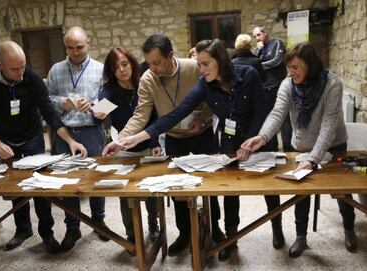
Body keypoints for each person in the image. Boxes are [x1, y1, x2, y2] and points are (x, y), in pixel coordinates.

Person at [113, 39, 284, 261]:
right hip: (231, 140)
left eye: (205, 64)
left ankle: (277, 227)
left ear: (220, 61)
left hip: (258, 137)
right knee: (230, 190)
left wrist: (254, 139)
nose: (200, 70)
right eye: (199, 64)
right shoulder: (205, 84)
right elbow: (177, 113)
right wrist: (137, 137)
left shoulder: (249, 74)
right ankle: (231, 239)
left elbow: (262, 111)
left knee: (270, 187)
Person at [102, 34, 224, 257]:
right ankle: (184, 233)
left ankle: (215, 228)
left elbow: (213, 100)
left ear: (171, 56)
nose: (152, 68)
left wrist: (204, 119)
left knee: (210, 185)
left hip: (202, 134)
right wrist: (121, 140)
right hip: (174, 138)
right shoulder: (148, 79)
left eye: (156, 63)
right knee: (176, 189)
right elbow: (141, 115)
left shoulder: (192, 68)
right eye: (149, 63)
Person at [241, 42, 357, 257]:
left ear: (310, 65)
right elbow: (278, 113)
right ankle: (301, 237)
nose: (291, 72)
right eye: (289, 67)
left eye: (295, 67)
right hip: (303, 146)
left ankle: (349, 229)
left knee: (342, 191)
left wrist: (314, 159)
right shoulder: (287, 84)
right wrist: (262, 136)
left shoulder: (332, 84)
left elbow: (329, 125)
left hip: (333, 144)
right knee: (301, 191)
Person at [0, 41, 87, 254]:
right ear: (0, 66)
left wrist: (71, 141)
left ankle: (46, 232)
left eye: (23, 66)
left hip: (32, 135)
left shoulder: (31, 78)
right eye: (15, 68)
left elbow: (50, 114)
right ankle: (23, 229)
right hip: (3, 137)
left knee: (39, 185)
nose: (20, 72)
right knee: (14, 188)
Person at [47, 26, 108, 252]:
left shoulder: (101, 70)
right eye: (70, 48)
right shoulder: (55, 70)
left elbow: (109, 102)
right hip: (64, 133)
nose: (75, 52)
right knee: (67, 182)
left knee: (96, 179)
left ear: (88, 43)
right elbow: (48, 98)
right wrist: (61, 102)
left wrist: (93, 106)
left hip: (92, 130)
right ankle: (73, 226)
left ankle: (99, 222)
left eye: (79, 47)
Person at [99, 47, 160, 244]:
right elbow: (98, 111)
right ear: (111, 71)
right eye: (116, 67)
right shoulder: (110, 92)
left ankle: (153, 225)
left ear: (132, 63)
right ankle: (132, 235)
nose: (122, 70)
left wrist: (155, 141)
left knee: (152, 191)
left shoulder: (144, 84)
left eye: (125, 64)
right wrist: (97, 112)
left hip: (148, 144)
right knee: (125, 195)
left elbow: (155, 117)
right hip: (124, 149)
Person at [252, 26, 293, 152]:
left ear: (265, 33)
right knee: (270, 118)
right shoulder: (258, 48)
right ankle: (273, 148)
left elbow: (276, 61)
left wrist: (259, 66)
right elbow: (253, 61)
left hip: (278, 86)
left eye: (258, 35)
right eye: (255, 37)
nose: (257, 38)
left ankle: (287, 148)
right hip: (264, 89)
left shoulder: (277, 43)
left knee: (284, 118)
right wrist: (258, 51)